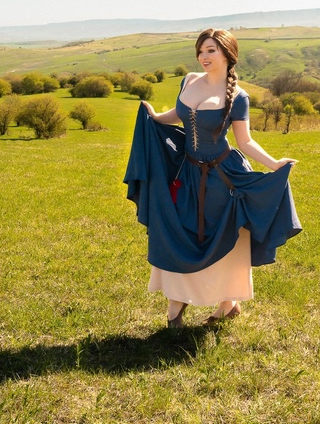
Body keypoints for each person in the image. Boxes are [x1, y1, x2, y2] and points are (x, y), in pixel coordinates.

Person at [123, 28, 302, 328]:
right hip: (188, 173)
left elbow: (244, 141)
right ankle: (178, 305)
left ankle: (226, 304)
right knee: (181, 233)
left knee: (224, 239)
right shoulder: (189, 80)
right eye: (200, 51)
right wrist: (155, 118)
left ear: (227, 54)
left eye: (210, 51)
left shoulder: (238, 97)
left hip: (222, 176)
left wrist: (274, 164)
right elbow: (179, 114)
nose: (203, 57)